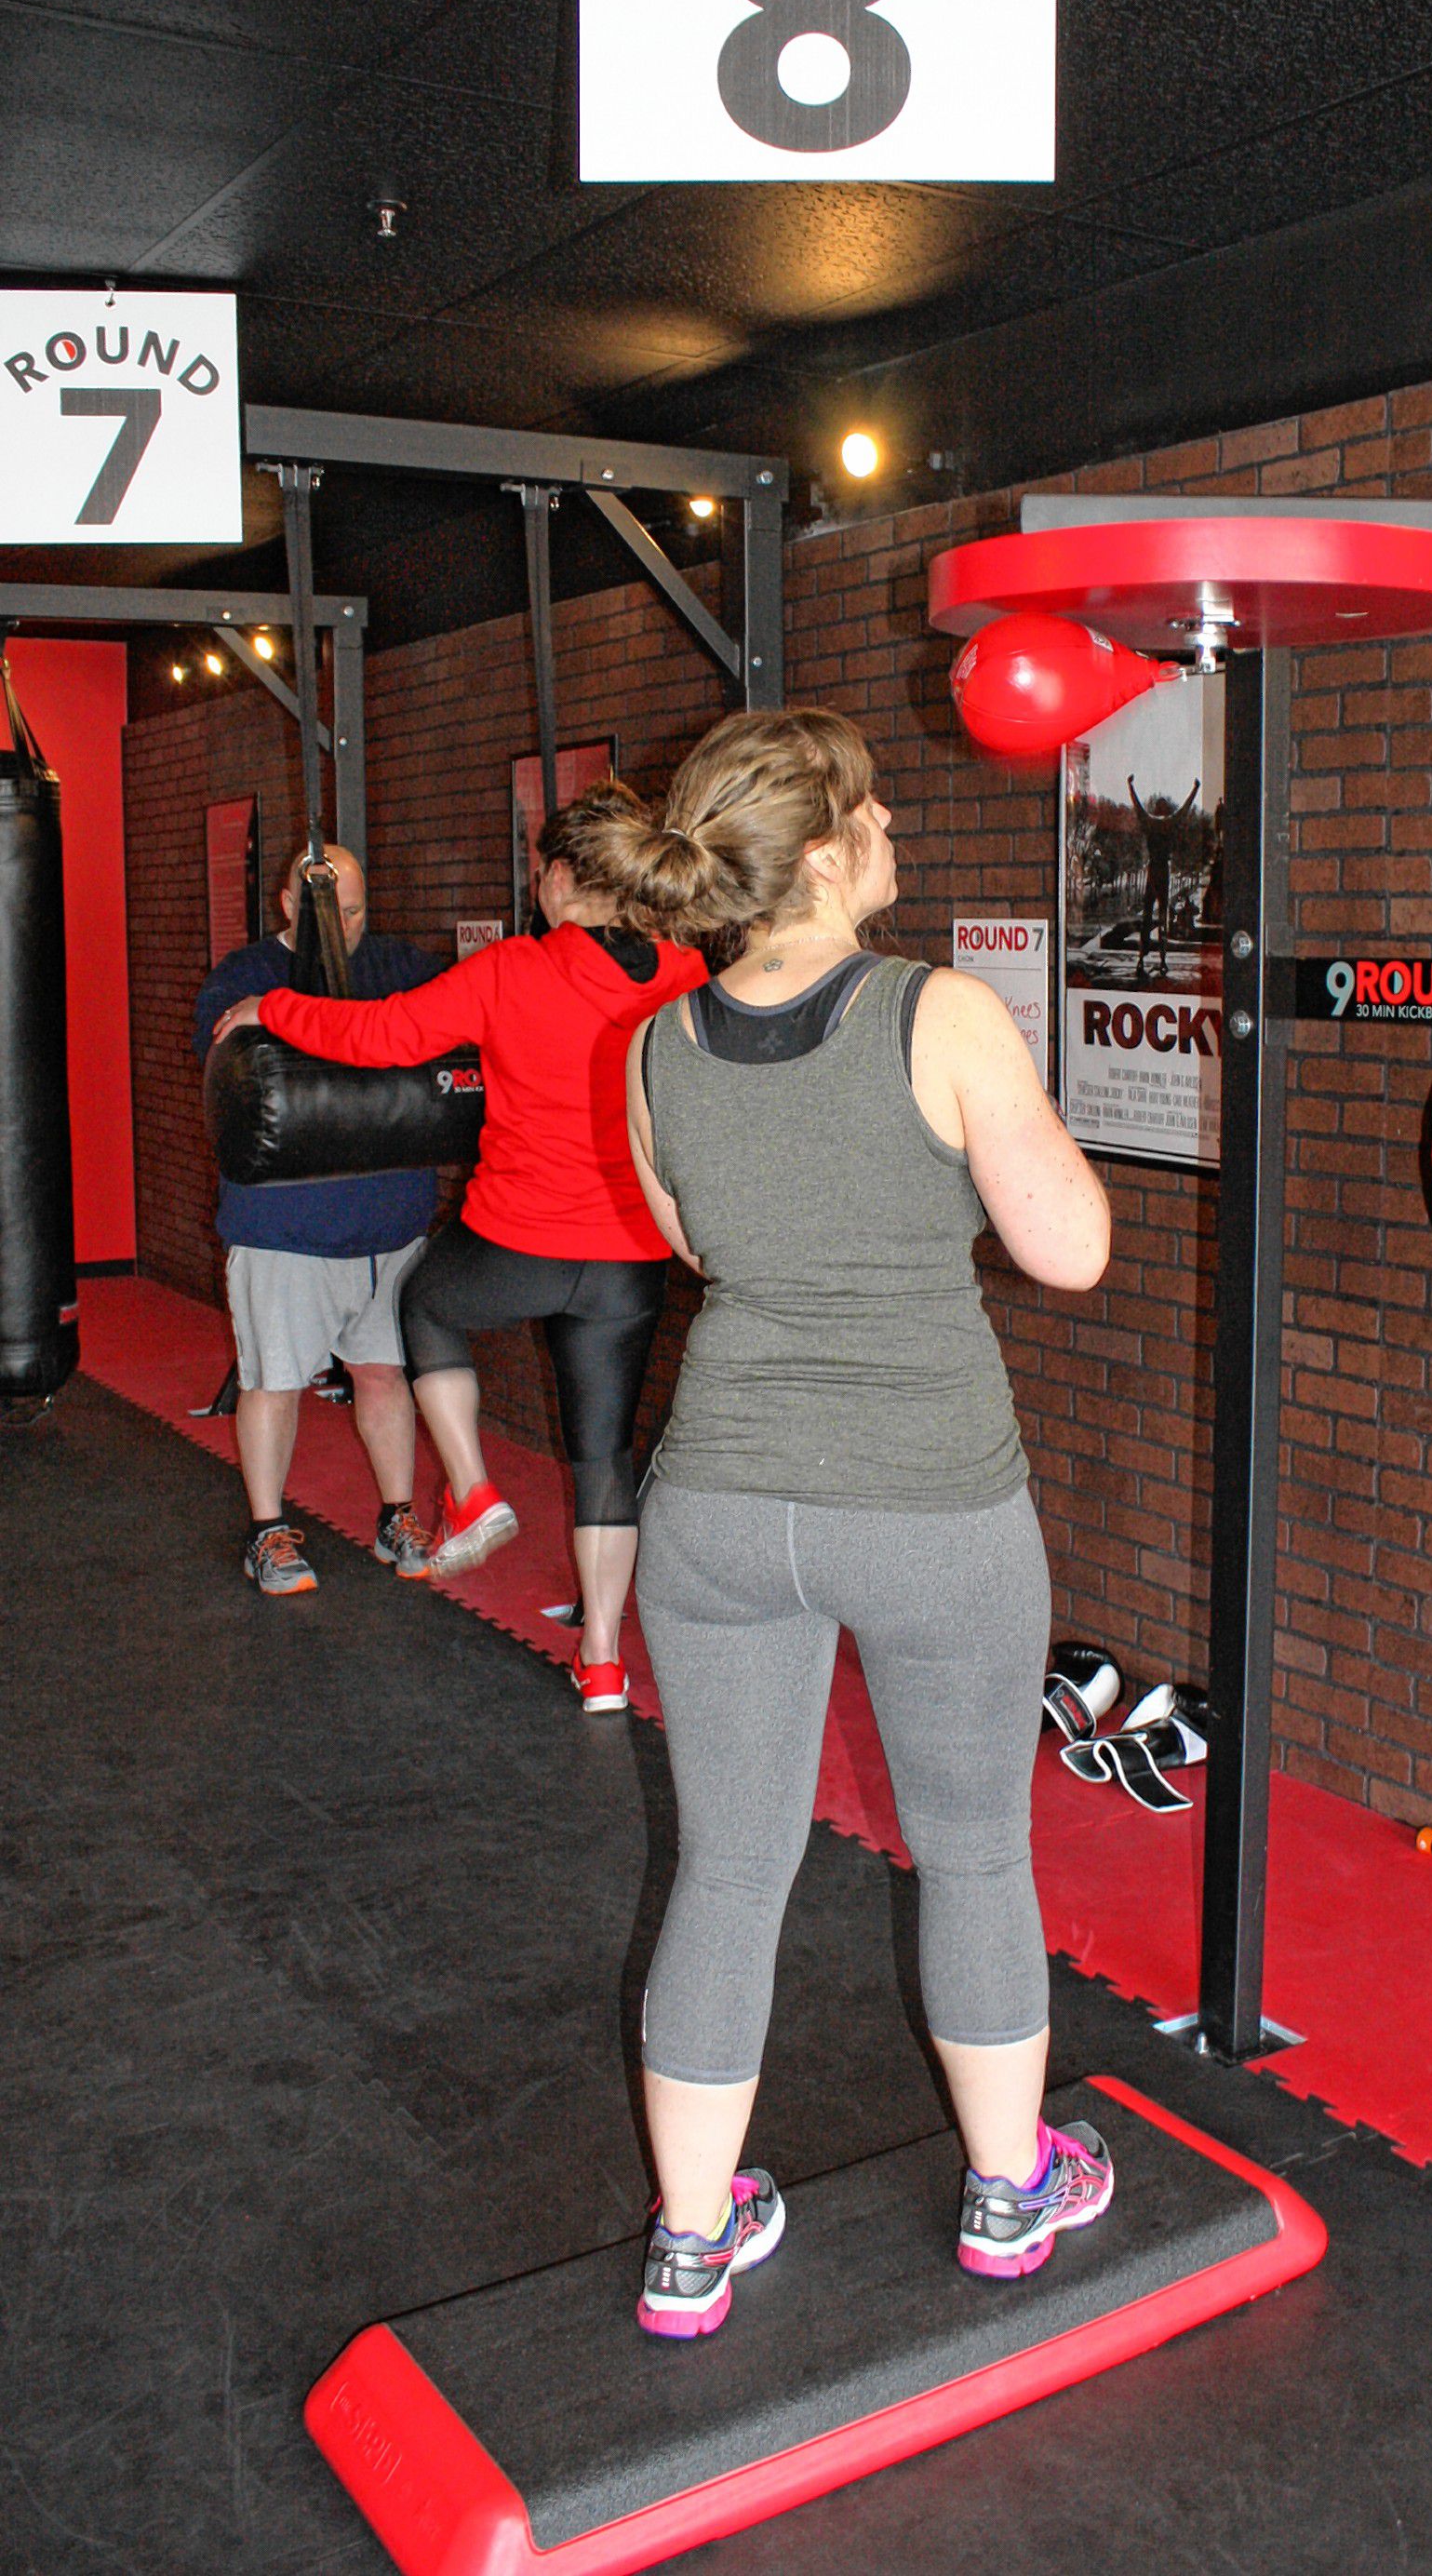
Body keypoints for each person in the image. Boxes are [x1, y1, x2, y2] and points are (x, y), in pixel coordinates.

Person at [609, 708, 1115, 2341]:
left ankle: (693, 2241)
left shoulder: (655, 1046)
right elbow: (1072, 1253)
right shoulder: (939, 1012)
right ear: (825, 852)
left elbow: (698, 1243)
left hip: (718, 1508)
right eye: (878, 813)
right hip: (928, 1504)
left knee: (729, 1868)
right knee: (971, 1852)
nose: (897, 827)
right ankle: (1007, 2193)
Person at [213, 784, 705, 1711]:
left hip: (519, 1237)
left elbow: (381, 1036)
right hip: (630, 1253)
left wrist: (275, 1011)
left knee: (422, 1304)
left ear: (559, 878)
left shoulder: (515, 968)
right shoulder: (680, 971)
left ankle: (473, 1491)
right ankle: (601, 1658)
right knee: (602, 1454)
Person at [194, 842, 438, 1596]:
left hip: (390, 1223)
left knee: (385, 1374)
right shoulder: (245, 976)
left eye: (360, 908)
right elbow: (225, 1068)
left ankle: (397, 1514)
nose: (349, 924)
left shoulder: (404, 969)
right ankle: (267, 1531)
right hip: (284, 1227)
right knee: (275, 1381)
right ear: (291, 904)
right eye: (336, 909)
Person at [1126, 771, 1199, 976]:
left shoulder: (1150, 822)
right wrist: (1195, 789)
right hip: (1162, 870)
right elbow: (1185, 809)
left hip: (1153, 869)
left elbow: (1138, 806)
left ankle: (1142, 958)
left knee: (1149, 914)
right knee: (1162, 914)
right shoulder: (1169, 823)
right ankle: (1162, 959)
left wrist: (1131, 786)